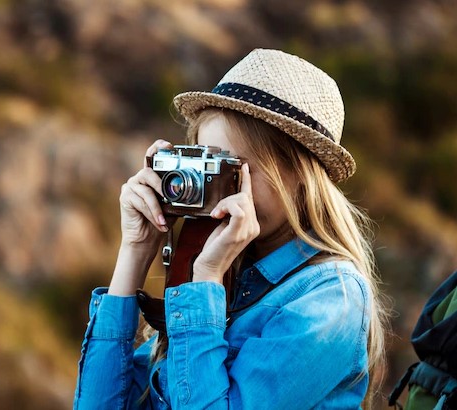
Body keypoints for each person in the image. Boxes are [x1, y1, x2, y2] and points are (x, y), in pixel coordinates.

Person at [74, 48, 388, 409]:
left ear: (302, 177)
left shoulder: (331, 301)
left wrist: (205, 277)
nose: (221, 188)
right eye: (210, 165)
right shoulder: (227, 269)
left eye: (236, 169)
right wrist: (135, 252)